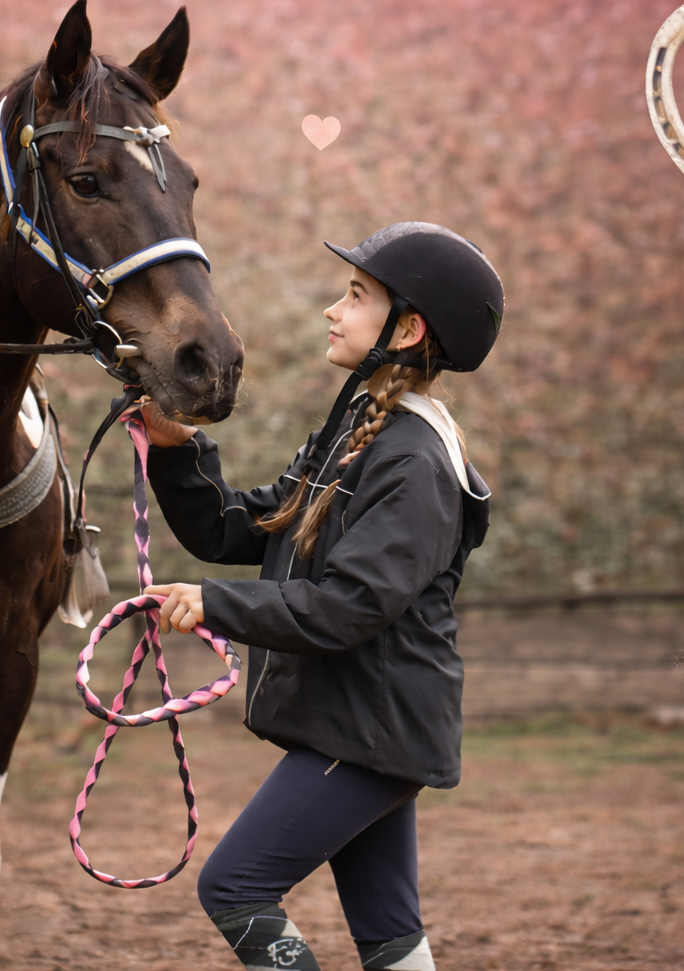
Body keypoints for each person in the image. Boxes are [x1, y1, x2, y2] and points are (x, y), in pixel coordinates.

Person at [140, 222, 503, 971]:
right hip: (358, 730)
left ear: (406, 329)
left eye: (356, 296)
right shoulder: (355, 435)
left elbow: (346, 607)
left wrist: (212, 605)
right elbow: (242, 529)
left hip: (370, 733)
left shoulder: (416, 463)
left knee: (235, 888)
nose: (332, 310)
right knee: (389, 932)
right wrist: (177, 450)